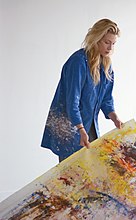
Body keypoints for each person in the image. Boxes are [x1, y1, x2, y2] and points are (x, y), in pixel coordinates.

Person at [41, 19, 122, 162]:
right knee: (71, 175)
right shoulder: (78, 62)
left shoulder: (106, 65)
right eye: (106, 42)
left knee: (90, 174)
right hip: (70, 127)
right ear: (96, 39)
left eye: (113, 43)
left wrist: (114, 116)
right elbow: (72, 101)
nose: (110, 48)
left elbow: (106, 98)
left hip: (88, 125)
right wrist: (80, 129)